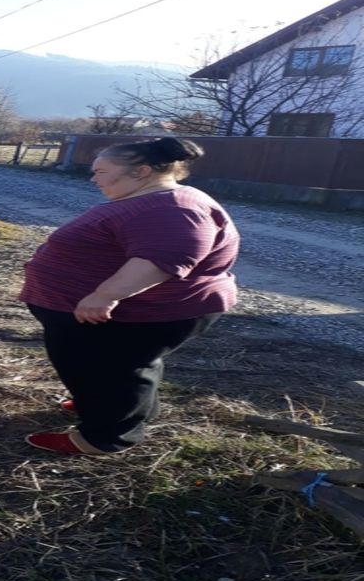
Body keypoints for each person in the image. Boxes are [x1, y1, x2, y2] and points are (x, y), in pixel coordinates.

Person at [19, 137, 240, 455]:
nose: (94, 179)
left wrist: (104, 295)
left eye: (102, 171)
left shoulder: (173, 207)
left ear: (141, 171)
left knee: (108, 370)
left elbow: (163, 259)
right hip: (120, 313)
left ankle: (106, 436)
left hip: (136, 313)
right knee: (118, 365)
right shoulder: (153, 200)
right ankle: (119, 408)